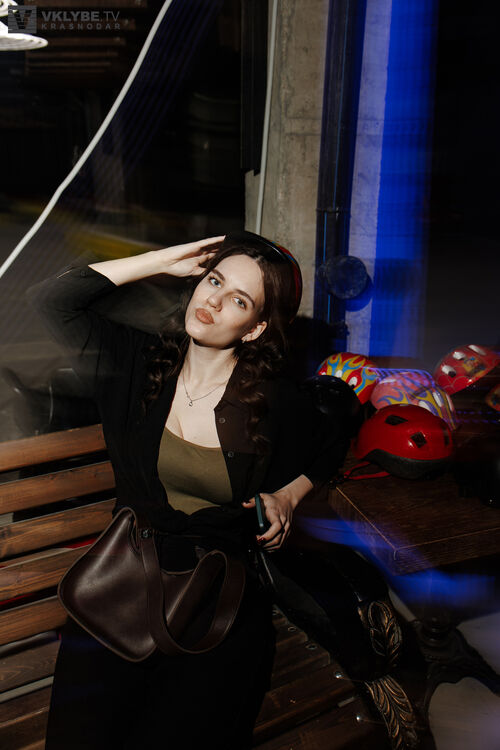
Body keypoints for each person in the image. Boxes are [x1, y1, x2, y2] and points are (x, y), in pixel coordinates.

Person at [29, 230, 348, 750]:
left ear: (255, 328)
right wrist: (162, 260)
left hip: (216, 603)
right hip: (122, 583)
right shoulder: (136, 364)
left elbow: (333, 440)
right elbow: (51, 299)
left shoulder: (272, 404)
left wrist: (289, 496)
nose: (214, 301)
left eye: (239, 300)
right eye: (214, 281)